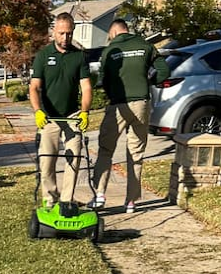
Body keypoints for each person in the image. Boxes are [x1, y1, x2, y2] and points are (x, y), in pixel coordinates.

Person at [90, 19, 156, 213]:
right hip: (142, 104)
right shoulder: (146, 46)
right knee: (136, 153)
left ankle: (100, 194)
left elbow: (103, 80)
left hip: (118, 104)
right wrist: (150, 81)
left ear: (114, 31)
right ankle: (131, 201)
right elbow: (163, 70)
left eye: (110, 35)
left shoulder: (110, 51)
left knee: (106, 148)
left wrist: (112, 95)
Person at [29, 13, 92, 216]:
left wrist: (84, 112)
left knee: (74, 157)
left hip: (72, 115)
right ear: (54, 32)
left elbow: (87, 87)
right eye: (62, 33)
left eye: (69, 33)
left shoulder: (79, 56)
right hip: (48, 117)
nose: (65, 37)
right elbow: (34, 87)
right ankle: (50, 199)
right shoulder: (43, 56)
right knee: (47, 161)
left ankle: (66, 201)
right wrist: (38, 111)